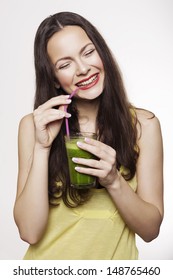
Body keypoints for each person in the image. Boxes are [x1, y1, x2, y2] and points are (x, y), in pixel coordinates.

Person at [13, 11, 164, 260]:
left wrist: (114, 181)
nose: (83, 69)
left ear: (102, 52)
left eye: (88, 52)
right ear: (54, 79)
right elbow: (29, 232)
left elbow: (150, 230)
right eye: (65, 64)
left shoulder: (143, 126)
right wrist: (42, 148)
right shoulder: (33, 126)